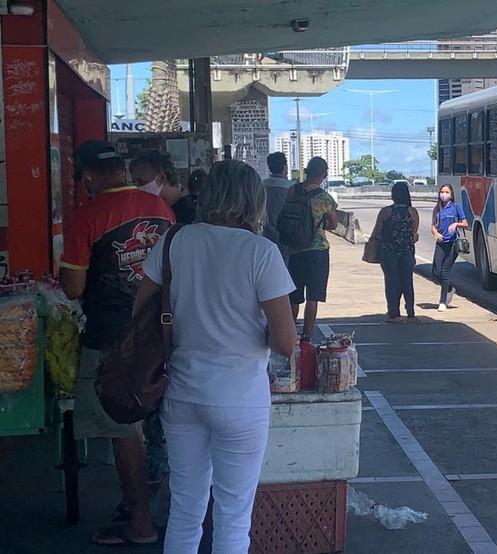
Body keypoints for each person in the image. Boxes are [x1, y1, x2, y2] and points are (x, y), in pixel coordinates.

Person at [139, 160, 297, 553]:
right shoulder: (262, 252)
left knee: (186, 508)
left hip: (181, 393)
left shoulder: (174, 241)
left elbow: (140, 312)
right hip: (240, 399)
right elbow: (286, 342)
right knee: (232, 515)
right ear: (253, 201)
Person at [60, 140, 175, 547]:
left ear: (89, 177)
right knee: (162, 428)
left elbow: (73, 287)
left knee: (122, 428)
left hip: (112, 340)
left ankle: (140, 523)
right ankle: (172, 513)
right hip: (162, 335)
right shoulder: (160, 210)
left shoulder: (88, 215)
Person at [285, 157, 338, 341]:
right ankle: (306, 336)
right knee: (312, 297)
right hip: (317, 251)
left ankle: (290, 333)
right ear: (324, 174)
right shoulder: (325, 198)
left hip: (294, 249)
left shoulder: (293, 191)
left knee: (294, 295)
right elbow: (333, 224)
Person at [371, 181, 420, 323]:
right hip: (407, 252)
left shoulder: (386, 211)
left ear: (393, 195)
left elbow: (376, 233)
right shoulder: (413, 212)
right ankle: (410, 314)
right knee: (407, 282)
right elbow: (414, 234)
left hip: (388, 252)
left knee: (391, 282)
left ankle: (393, 314)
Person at [431, 184, 468, 312]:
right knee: (436, 271)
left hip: (452, 243)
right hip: (441, 243)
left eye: (446, 192)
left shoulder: (456, 207)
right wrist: (436, 234)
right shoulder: (437, 209)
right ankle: (449, 288)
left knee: (445, 271)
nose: (444, 194)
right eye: (442, 192)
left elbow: (465, 223)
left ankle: (442, 301)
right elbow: (433, 226)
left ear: (451, 194)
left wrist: (456, 224)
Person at [262, 152, 294, 260]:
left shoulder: (262, 186)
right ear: (285, 167)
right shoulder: (292, 188)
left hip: (266, 233)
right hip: (287, 235)